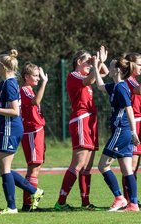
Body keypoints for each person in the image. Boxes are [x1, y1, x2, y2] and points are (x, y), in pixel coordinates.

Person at [0, 50, 44, 214]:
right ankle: (34, 191)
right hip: (7, 128)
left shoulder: (11, 84)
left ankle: (12, 207)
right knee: (0, 169)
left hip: (10, 128)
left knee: (4, 169)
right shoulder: (6, 83)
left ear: (4, 66)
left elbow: (15, 111)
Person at [54, 46, 108, 211]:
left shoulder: (86, 74)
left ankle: (85, 203)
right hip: (81, 120)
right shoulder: (74, 75)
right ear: (78, 62)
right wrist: (96, 64)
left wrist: (100, 62)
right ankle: (61, 202)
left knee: (87, 166)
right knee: (78, 164)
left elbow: (104, 74)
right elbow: (91, 80)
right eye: (87, 61)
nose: (90, 64)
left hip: (90, 120)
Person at [94, 53, 140, 212]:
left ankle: (119, 198)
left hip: (122, 130)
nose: (109, 68)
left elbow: (129, 110)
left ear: (118, 70)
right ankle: (133, 204)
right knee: (127, 169)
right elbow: (100, 86)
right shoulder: (115, 86)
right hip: (123, 131)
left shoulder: (121, 87)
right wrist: (96, 65)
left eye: (112, 66)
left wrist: (134, 132)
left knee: (102, 166)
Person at [20, 63, 48, 212]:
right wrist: (44, 82)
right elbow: (35, 101)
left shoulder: (30, 90)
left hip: (37, 131)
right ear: (26, 77)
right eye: (35, 75)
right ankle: (30, 204)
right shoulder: (24, 90)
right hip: (31, 132)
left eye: (39, 75)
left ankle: (29, 204)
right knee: (33, 168)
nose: (38, 78)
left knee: (36, 167)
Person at [123, 52, 141, 204]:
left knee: (136, 164)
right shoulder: (128, 80)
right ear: (131, 64)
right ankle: (130, 200)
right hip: (132, 123)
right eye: (139, 64)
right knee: (131, 165)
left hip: (138, 121)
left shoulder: (134, 80)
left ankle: (132, 200)